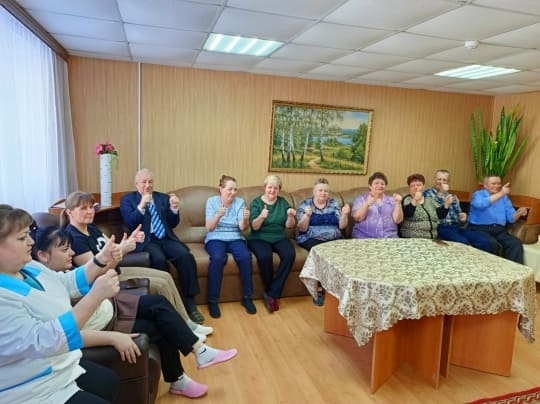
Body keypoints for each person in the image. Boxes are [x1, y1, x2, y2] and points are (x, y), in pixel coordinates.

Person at [31, 225, 238, 399]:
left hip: (112, 308)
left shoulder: (56, 275)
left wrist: (112, 256)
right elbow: (67, 333)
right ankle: (181, 377)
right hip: (106, 323)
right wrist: (112, 336)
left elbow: (94, 273)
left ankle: (199, 352)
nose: (71, 253)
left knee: (158, 302)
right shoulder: (44, 295)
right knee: (159, 326)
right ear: (42, 255)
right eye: (65, 250)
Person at [0, 204, 122, 403]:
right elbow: (43, 340)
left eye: (28, 234)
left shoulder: (29, 266)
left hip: (59, 366)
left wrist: (100, 260)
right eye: (22, 238)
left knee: (108, 381)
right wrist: (95, 296)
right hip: (30, 388)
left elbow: (63, 282)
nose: (31, 242)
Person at [61, 191, 212, 339]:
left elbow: (113, 248)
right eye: (83, 208)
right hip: (108, 280)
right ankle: (184, 329)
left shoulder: (91, 227)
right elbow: (95, 272)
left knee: (166, 276)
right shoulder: (75, 238)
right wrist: (123, 250)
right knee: (160, 285)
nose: (90, 212)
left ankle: (187, 323)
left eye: (91, 207)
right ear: (69, 212)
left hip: (117, 270)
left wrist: (130, 241)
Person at [120, 168, 204, 323]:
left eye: (150, 182)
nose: (147, 185)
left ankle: (190, 303)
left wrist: (174, 208)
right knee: (158, 259)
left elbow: (172, 223)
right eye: (144, 182)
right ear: (136, 184)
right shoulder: (127, 200)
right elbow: (130, 222)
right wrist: (141, 205)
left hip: (166, 238)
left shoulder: (162, 198)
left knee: (185, 256)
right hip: (147, 240)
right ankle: (169, 303)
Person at [205, 175, 256, 318]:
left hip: (235, 237)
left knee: (245, 257)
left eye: (235, 189)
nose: (233, 193)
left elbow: (242, 228)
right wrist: (218, 216)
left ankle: (247, 297)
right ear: (221, 189)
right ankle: (213, 300)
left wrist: (245, 219)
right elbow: (209, 228)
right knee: (217, 258)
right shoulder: (211, 202)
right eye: (230, 189)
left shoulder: (240, 202)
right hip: (215, 237)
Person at [296, 177, 350, 305]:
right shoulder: (306, 204)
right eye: (320, 190)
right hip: (310, 238)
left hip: (334, 238)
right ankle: (319, 289)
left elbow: (342, 226)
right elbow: (302, 228)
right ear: (314, 192)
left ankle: (340, 289)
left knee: (345, 252)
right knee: (322, 253)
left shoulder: (333, 203)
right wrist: (307, 216)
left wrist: (345, 214)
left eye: (326, 191)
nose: (323, 193)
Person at [248, 175, 296, 313]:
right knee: (265, 256)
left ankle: (271, 293)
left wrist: (290, 216)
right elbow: (254, 227)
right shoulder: (256, 202)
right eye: (270, 187)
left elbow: (289, 226)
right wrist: (261, 217)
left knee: (289, 254)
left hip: (279, 236)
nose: (272, 191)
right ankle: (272, 293)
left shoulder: (283, 202)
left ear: (279, 190)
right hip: (259, 237)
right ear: (265, 187)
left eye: (276, 188)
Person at [424, 169, 492, 251]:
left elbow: (460, 219)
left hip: (456, 227)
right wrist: (441, 193)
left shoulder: (453, 196)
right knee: (463, 243)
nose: (441, 182)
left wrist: (463, 219)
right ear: (434, 179)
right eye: (439, 179)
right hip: (439, 228)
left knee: (483, 241)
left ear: (448, 182)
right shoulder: (427, 194)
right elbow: (431, 213)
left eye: (444, 180)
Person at [468, 175, 528, 263]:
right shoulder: (478, 194)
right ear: (485, 185)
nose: (497, 186)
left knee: (515, 243)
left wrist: (519, 213)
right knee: (491, 243)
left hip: (499, 230)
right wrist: (501, 194)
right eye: (494, 183)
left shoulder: (504, 198)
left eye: (499, 184)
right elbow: (480, 204)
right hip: (479, 229)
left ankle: (513, 270)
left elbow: (511, 218)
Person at [351, 172, 403, 238]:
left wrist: (398, 203)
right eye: (376, 183)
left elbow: (398, 220)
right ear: (370, 186)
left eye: (382, 184)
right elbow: (357, 218)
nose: (380, 186)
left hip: (389, 237)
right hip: (364, 237)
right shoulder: (361, 199)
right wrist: (366, 204)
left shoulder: (392, 200)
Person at [400, 173, 449, 239]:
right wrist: (415, 200)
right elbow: (407, 213)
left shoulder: (429, 200)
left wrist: (446, 205)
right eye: (412, 185)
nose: (416, 187)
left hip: (432, 238)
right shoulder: (406, 199)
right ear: (409, 189)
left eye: (419, 185)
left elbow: (440, 215)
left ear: (423, 187)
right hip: (412, 237)